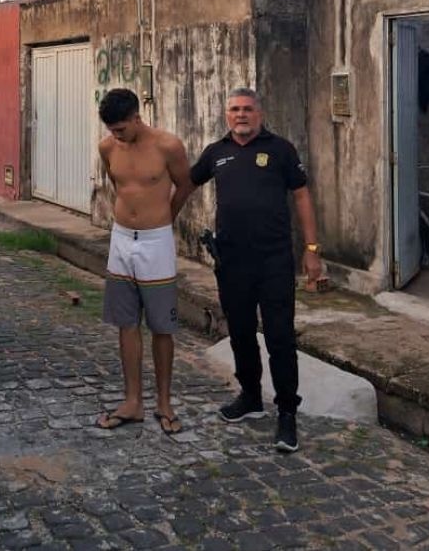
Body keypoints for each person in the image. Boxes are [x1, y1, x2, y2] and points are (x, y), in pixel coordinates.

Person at [189, 88, 321, 453]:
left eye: (247, 109)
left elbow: (301, 196)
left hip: (274, 260)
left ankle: (286, 414)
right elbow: (186, 182)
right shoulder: (216, 153)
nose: (241, 115)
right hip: (231, 261)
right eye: (234, 109)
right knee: (241, 334)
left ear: (259, 113)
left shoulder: (281, 150)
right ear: (226, 115)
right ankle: (250, 396)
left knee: (280, 338)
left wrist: (312, 250)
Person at [96, 88, 193, 435]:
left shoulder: (168, 146)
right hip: (121, 239)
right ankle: (132, 400)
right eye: (112, 130)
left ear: (138, 117)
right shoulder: (108, 147)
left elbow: (185, 184)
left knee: (161, 325)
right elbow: (117, 185)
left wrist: (165, 218)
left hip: (156, 242)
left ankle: (164, 403)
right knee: (126, 322)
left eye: (121, 128)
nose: (116, 135)